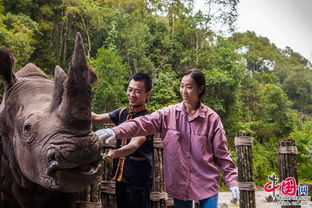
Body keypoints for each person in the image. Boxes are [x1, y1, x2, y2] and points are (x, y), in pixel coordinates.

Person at [96, 69, 240, 208]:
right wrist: (115, 131)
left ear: (200, 89)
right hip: (180, 184)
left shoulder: (212, 119)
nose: (184, 91)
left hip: (206, 183)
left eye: (189, 87)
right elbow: (142, 123)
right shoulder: (168, 114)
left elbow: (222, 154)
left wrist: (232, 181)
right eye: (181, 86)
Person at [92, 72, 154, 208]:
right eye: (130, 89)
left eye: (137, 91)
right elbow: (96, 118)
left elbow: (133, 146)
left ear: (147, 94)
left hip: (138, 180)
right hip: (121, 177)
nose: (132, 94)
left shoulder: (148, 120)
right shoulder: (121, 113)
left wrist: (114, 153)